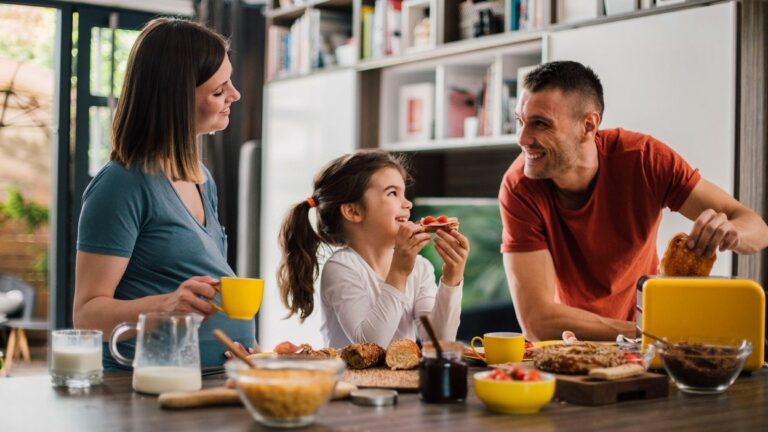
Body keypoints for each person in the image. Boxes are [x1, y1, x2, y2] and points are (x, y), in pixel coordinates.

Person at [500, 60, 768, 342]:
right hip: (574, 344)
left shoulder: (644, 159)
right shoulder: (519, 187)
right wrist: (656, 331)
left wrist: (733, 232)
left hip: (647, 349)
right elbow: (537, 322)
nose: (522, 138)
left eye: (540, 124)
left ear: (588, 126)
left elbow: (758, 229)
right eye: (521, 121)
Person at [73, 17, 254, 371]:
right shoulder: (121, 184)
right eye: (219, 90)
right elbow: (87, 314)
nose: (235, 94)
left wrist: (249, 349)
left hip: (215, 380)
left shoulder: (202, 179)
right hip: (146, 390)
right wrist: (165, 306)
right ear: (177, 99)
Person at [278, 150, 470, 348]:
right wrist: (399, 272)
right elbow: (369, 345)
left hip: (403, 380)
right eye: (392, 193)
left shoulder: (420, 267)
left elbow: (439, 342)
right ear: (353, 211)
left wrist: (451, 279)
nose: (408, 203)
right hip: (350, 379)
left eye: (404, 193)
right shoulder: (342, 267)